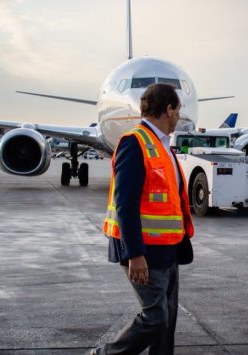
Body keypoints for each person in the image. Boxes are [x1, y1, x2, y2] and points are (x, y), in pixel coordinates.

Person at [95, 84, 194, 355]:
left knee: (167, 320)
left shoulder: (163, 146)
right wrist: (135, 254)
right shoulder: (135, 142)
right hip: (145, 252)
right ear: (168, 109)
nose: (179, 117)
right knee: (155, 318)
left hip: (168, 249)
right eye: (178, 110)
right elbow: (125, 204)